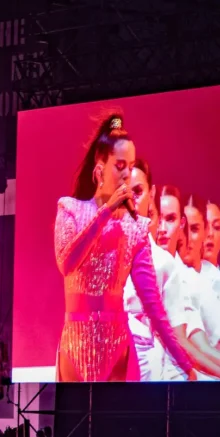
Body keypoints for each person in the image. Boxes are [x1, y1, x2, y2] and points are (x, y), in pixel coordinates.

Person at [53, 114, 190, 381]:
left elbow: (153, 304)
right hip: (75, 342)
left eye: (130, 165)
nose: (126, 173)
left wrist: (186, 365)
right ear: (100, 166)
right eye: (119, 165)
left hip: (117, 346)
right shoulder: (69, 208)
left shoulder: (136, 228)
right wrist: (106, 211)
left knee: (114, 420)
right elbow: (67, 263)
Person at [121, 161, 192, 381]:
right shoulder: (104, 255)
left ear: (151, 193)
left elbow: (175, 336)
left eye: (138, 191)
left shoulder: (163, 265)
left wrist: (188, 371)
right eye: (124, 193)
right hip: (107, 364)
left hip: (146, 372)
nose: (131, 201)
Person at [155, 187, 220, 378]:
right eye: (158, 218)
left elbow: (201, 344)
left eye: (170, 219)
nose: (162, 228)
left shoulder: (187, 278)